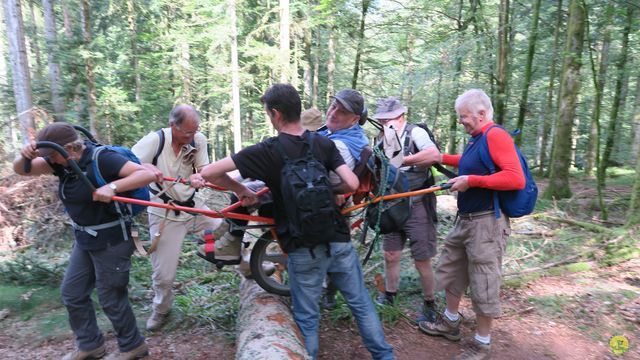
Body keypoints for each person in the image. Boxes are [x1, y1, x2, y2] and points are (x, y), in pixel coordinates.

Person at [189, 84, 394, 360]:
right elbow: (352, 182)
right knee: (361, 304)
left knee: (307, 318)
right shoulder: (323, 143)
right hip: (337, 236)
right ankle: (385, 356)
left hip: (302, 246)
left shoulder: (266, 150)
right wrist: (327, 191)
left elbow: (210, 172)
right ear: (298, 110)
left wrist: (242, 191)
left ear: (275, 114)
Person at [13, 122, 154, 360]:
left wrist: (113, 186)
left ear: (70, 148)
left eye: (53, 156)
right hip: (85, 238)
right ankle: (90, 346)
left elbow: (146, 174)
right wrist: (24, 154)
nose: (51, 161)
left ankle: (133, 347)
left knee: (111, 297)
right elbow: (23, 170)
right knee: (73, 293)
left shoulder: (103, 158)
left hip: (112, 239)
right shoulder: (61, 162)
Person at [418, 89, 525, 360]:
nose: (462, 121)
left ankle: (482, 343)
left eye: (464, 116)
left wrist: (473, 181)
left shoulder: (496, 135)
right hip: (465, 221)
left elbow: (515, 178)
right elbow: (468, 164)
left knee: (484, 280)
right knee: (453, 269)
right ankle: (450, 322)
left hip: (487, 223)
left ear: (481, 113)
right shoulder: (476, 139)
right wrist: (440, 158)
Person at [131, 105, 226, 331]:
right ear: (173, 125)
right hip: (165, 213)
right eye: (187, 133)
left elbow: (204, 169)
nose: (192, 137)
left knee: (228, 232)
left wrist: (199, 176)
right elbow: (126, 162)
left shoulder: (198, 139)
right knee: (164, 275)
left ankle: (250, 270)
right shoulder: (155, 141)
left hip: (195, 208)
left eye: (195, 131)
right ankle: (161, 310)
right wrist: (146, 168)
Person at [371, 96, 441, 322]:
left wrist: (403, 161)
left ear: (401, 116)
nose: (384, 123)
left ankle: (430, 303)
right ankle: (389, 295)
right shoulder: (381, 138)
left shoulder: (416, 133)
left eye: (388, 118)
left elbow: (433, 155)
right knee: (391, 254)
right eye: (381, 120)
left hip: (417, 202)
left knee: (422, 258)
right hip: (391, 204)